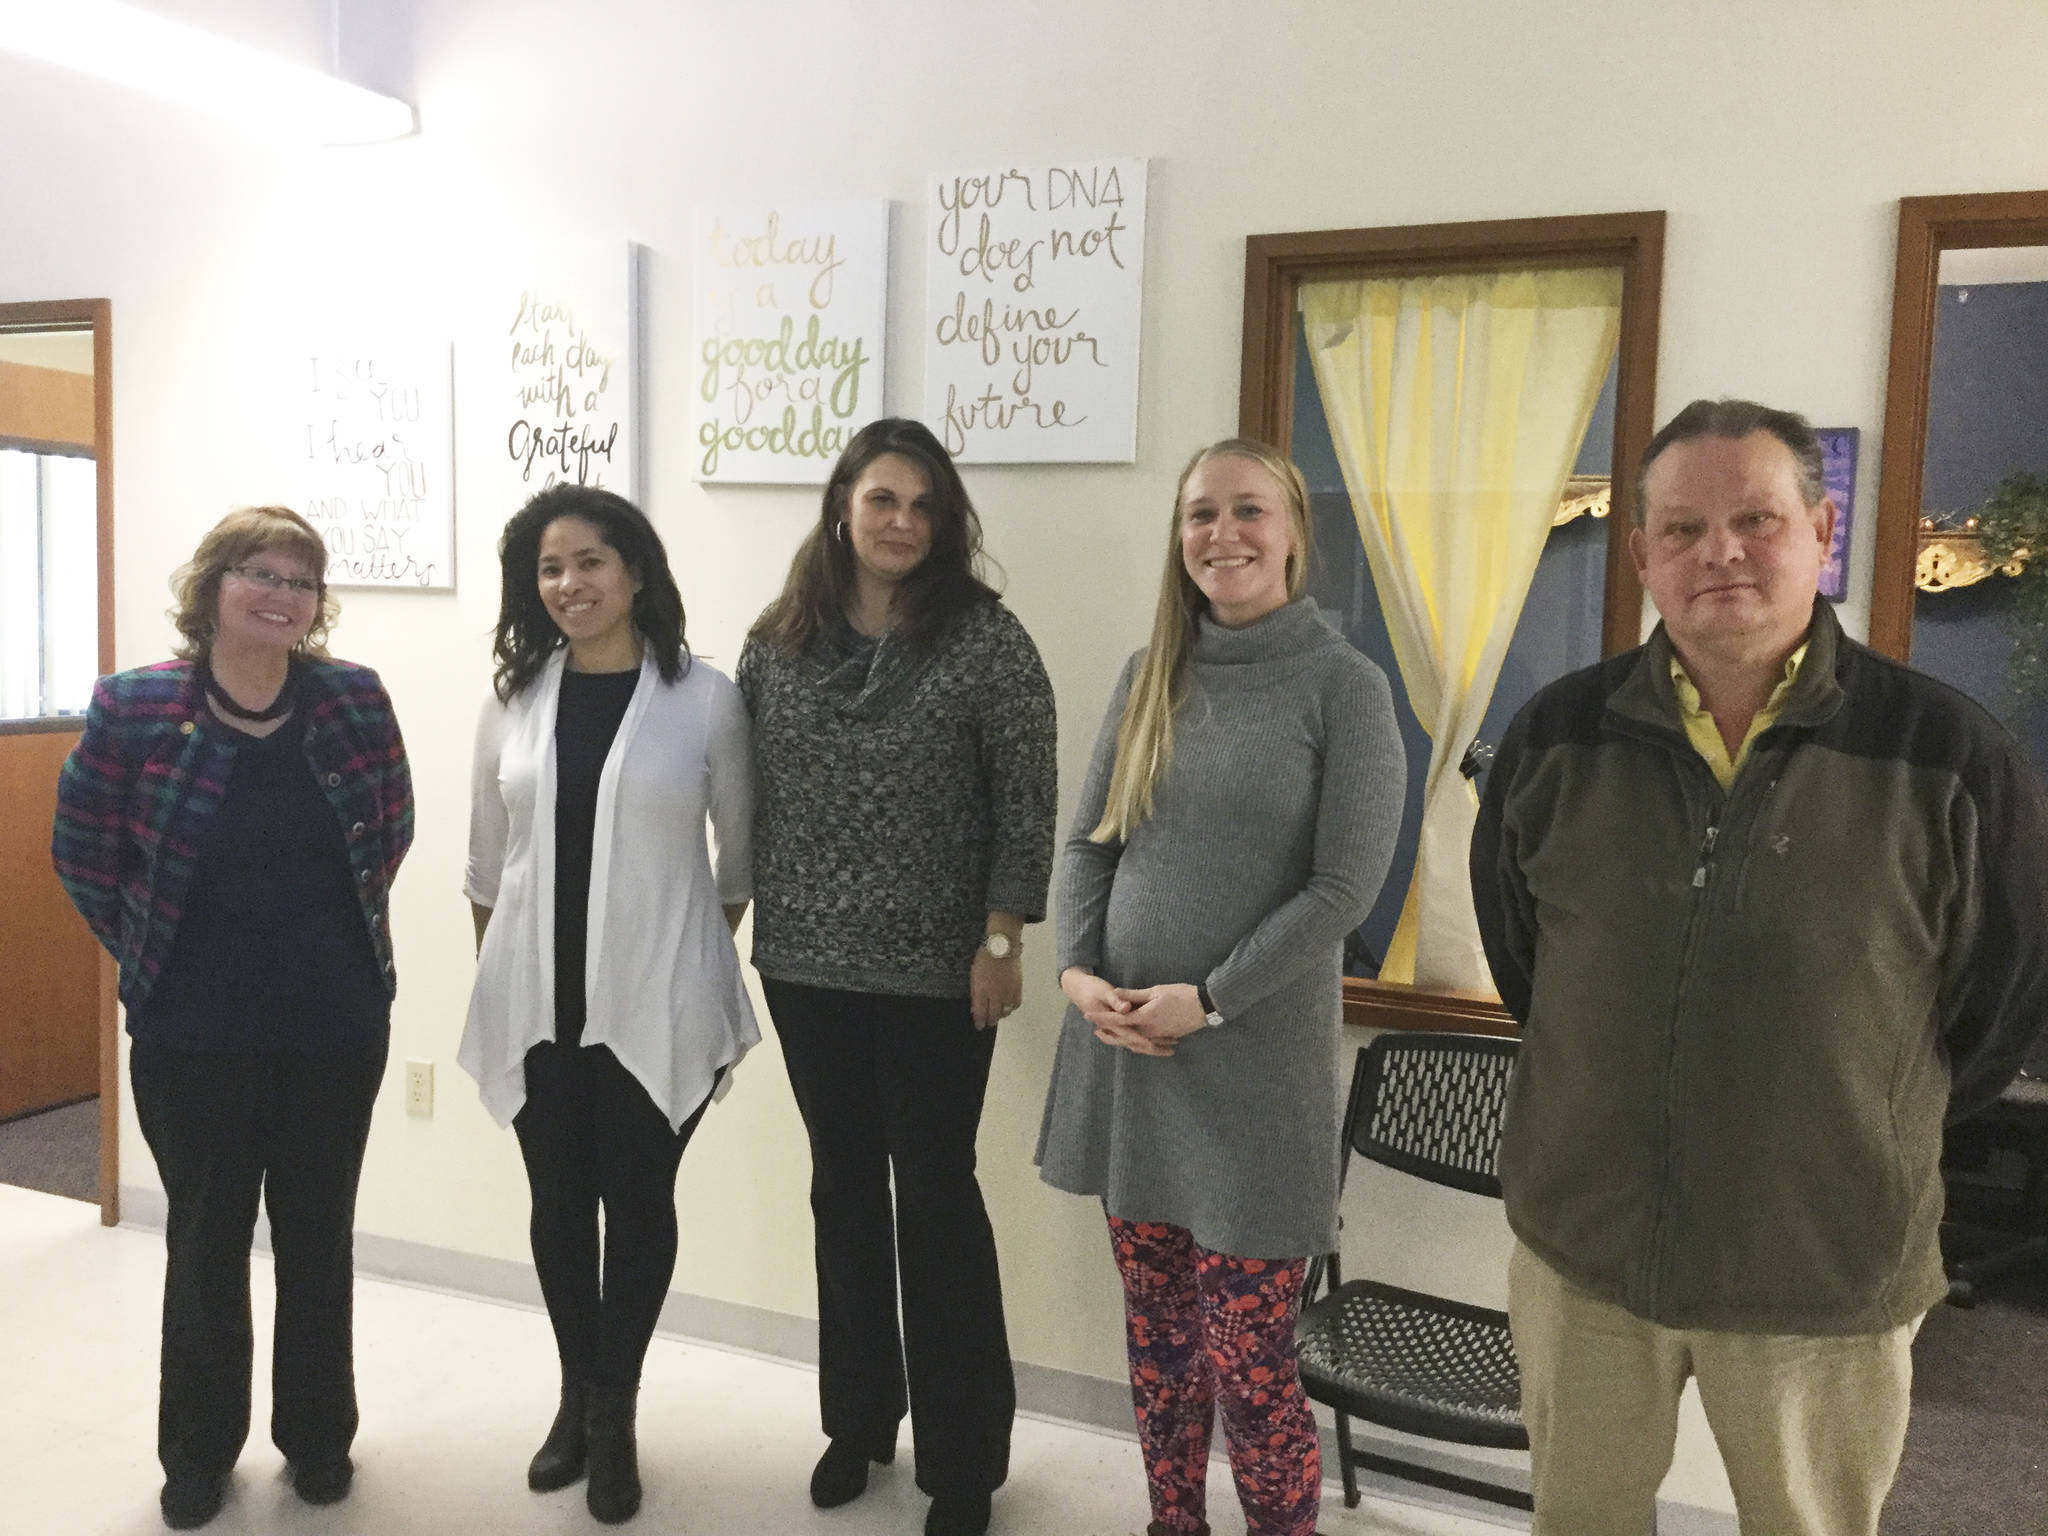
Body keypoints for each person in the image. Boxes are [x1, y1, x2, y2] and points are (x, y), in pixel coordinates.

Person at [1471, 398, 2048, 1536]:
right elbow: (1525, 966)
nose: (1718, 551)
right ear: (1639, 555)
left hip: (1820, 1269)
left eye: (1754, 518)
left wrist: (1867, 1121)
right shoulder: (1551, 739)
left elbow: (1999, 1006)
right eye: (1680, 530)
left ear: (1820, 530)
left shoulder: (1942, 752)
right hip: (1583, 1256)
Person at [1036, 438, 1406, 1536]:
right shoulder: (1149, 674)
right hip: (1127, 1065)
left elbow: (1341, 889)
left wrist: (1208, 998)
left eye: (1246, 510)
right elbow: (1089, 844)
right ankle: (1171, 1523)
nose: (1221, 534)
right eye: (1199, 514)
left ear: (1292, 529)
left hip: (1251, 1081)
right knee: (1157, 1346)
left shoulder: (1345, 689)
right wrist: (1076, 972)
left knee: (1250, 1366)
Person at [50, 506, 411, 1530]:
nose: (279, 593)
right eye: (258, 572)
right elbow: (81, 850)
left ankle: (319, 1442)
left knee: (317, 1238)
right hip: (191, 1032)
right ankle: (199, 1457)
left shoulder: (350, 699)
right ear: (212, 585)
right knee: (206, 1244)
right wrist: (154, 949)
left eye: (299, 579)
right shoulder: (137, 706)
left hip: (335, 1024)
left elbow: (387, 830)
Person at [736, 416, 1056, 1536]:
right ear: (842, 506)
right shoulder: (776, 642)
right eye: (883, 500)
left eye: (923, 506)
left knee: (932, 1196)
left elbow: (1025, 795)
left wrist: (1003, 938)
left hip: (938, 973)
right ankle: (857, 1420)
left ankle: (961, 1462)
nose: (902, 523)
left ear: (946, 520)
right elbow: (743, 797)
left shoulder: (984, 641)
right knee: (839, 1187)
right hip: (806, 964)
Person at [459, 484, 756, 1525]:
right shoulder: (514, 698)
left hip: (655, 1008)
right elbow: (486, 867)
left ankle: (617, 1414)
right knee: (554, 1206)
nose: (569, 583)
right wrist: (507, 979)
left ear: (634, 571)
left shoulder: (703, 697)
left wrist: (674, 966)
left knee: (637, 1206)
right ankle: (575, 1400)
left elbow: (736, 863)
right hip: (537, 1008)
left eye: (589, 561)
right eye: (548, 567)